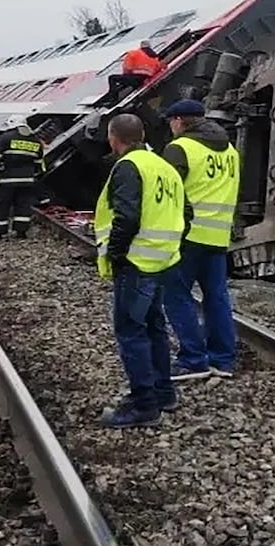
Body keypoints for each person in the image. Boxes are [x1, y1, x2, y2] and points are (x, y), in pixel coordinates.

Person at [94, 113, 191, 428]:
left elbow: (127, 216)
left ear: (113, 137)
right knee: (154, 327)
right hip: (162, 260)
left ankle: (143, 405)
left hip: (136, 262)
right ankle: (164, 393)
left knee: (131, 331)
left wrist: (118, 254)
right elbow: (186, 213)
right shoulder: (164, 166)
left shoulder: (128, 166)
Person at [160, 99, 241, 380]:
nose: (170, 128)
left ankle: (193, 359)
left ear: (179, 120)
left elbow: (167, 192)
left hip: (187, 235)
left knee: (175, 295)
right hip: (218, 236)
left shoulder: (180, 148)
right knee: (216, 297)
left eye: (171, 122)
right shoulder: (230, 150)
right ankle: (223, 359)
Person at [0, 116, 44, 240]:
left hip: (6, 180)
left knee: (1, 206)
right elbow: (39, 163)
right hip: (27, 181)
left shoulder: (5, 138)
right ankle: (21, 232)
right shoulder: (35, 141)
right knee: (23, 206)